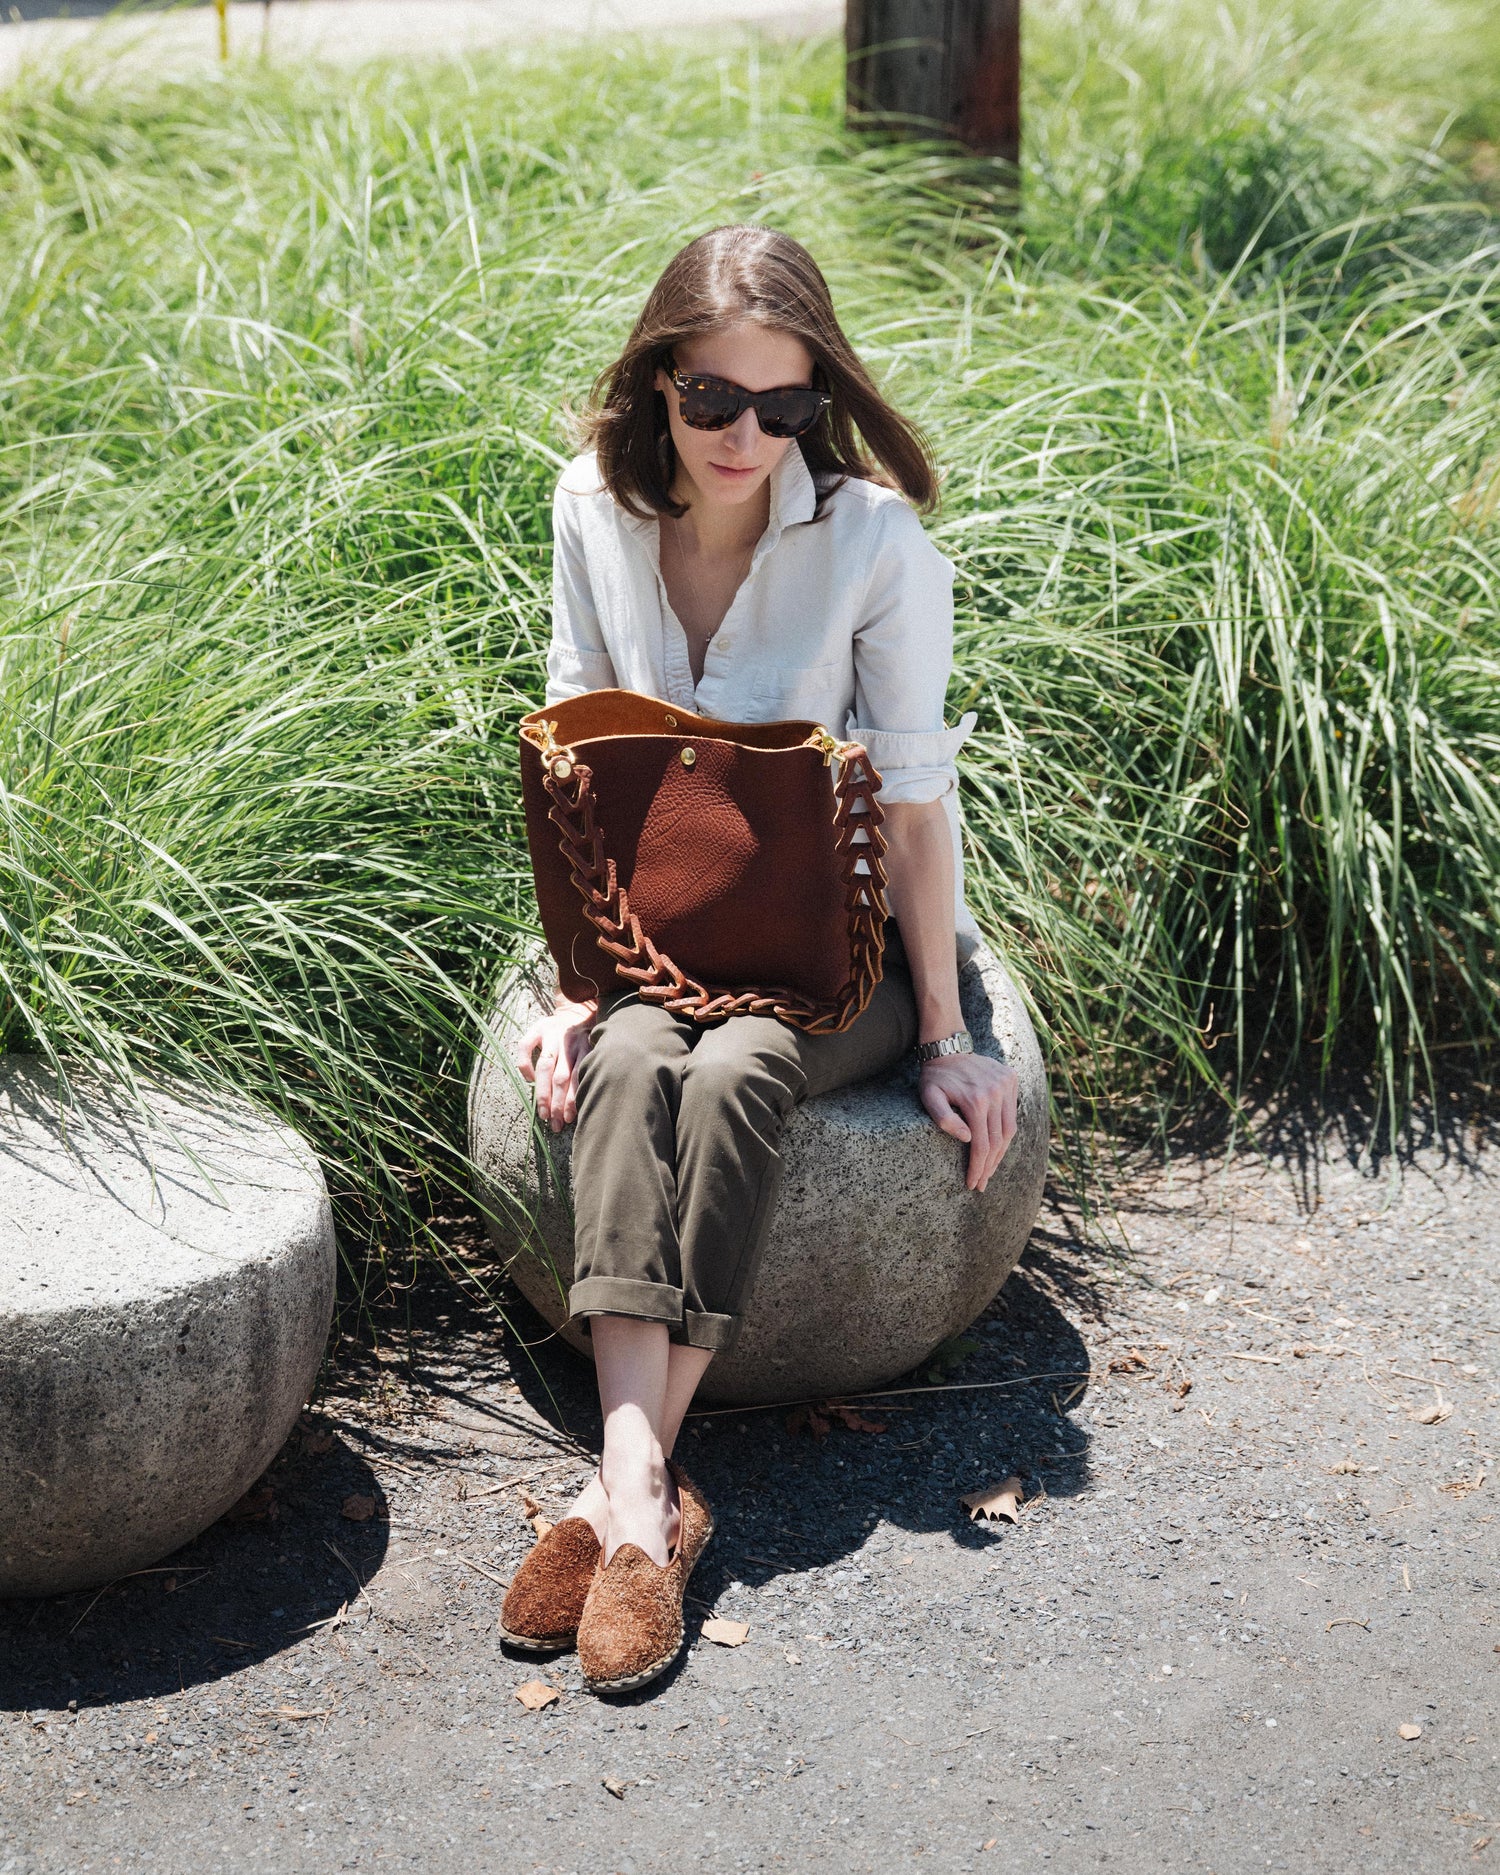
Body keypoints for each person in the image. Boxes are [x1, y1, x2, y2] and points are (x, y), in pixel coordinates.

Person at [499, 225, 1018, 1694]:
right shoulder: (592, 509)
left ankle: (619, 1502)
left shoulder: (875, 543)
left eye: (784, 409)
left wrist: (945, 1032)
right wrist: (577, 989)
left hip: (827, 956)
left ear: (818, 404)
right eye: (714, 399)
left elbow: (913, 801)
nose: (746, 437)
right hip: (660, 941)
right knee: (633, 1057)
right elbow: (578, 767)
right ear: (661, 382)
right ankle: (643, 1494)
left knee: (731, 1070)